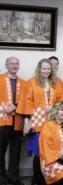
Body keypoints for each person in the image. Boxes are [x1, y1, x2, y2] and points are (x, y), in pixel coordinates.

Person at [16, 58, 63, 185]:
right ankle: (37, 179)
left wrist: (53, 108)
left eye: (48, 68)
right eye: (44, 68)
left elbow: (61, 101)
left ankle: (51, 178)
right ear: (39, 69)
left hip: (53, 121)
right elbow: (26, 102)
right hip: (37, 122)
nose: (46, 71)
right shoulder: (31, 82)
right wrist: (26, 122)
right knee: (39, 152)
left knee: (52, 151)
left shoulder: (57, 82)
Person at [0, 57, 26, 185]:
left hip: (18, 123)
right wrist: (5, 108)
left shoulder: (23, 82)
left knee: (16, 152)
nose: (14, 66)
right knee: (0, 151)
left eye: (17, 63)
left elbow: (26, 101)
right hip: (2, 122)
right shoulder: (0, 79)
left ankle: (13, 178)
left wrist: (14, 106)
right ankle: (2, 179)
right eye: (11, 63)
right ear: (6, 65)